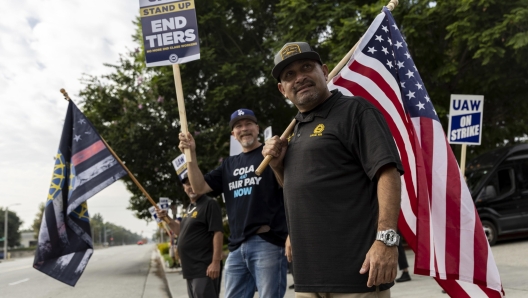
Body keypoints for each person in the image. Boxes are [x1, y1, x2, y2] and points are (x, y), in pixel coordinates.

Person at [262, 42, 404, 297]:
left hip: (357, 275)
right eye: (289, 75)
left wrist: (386, 240)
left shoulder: (356, 111)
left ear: (325, 71)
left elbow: (388, 172)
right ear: (282, 89)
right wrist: (277, 166)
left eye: (307, 67)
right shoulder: (294, 131)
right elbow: (296, 188)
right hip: (307, 278)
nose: (300, 78)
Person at [178, 109, 289, 298]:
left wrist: (291, 236)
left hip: (267, 242)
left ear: (257, 128)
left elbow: (290, 191)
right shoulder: (229, 164)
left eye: (248, 124)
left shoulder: (271, 155)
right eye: (238, 126)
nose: (244, 129)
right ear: (233, 134)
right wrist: (191, 155)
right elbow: (198, 186)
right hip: (237, 247)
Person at [157, 165, 224, 298]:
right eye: (187, 184)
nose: (191, 186)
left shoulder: (209, 204)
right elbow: (181, 232)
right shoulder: (190, 207)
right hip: (190, 269)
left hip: (205, 268)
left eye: (193, 182)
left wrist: (215, 262)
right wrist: (167, 218)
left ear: (200, 183)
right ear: (184, 188)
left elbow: (218, 232)